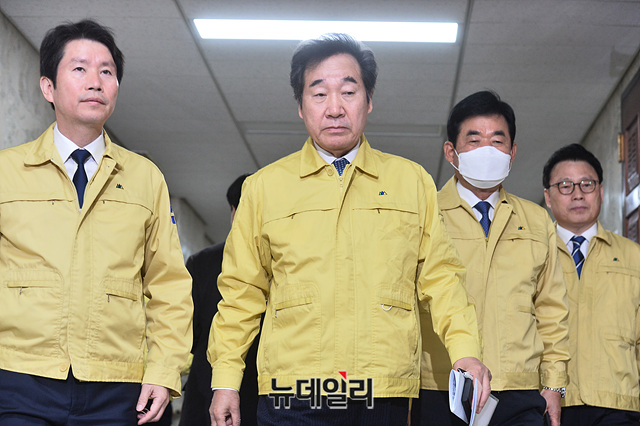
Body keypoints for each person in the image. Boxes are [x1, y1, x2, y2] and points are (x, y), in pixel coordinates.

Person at [207, 33, 491, 426]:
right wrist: (225, 379)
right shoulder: (263, 188)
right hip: (295, 388)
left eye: (348, 92)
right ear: (301, 106)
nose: (335, 108)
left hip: (383, 387)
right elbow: (241, 292)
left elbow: (441, 278)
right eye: (319, 93)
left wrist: (465, 350)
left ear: (368, 100)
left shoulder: (411, 182)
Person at [0, 19, 193, 425]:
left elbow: (169, 285)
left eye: (107, 71)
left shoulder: (145, 178)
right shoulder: (7, 172)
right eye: (80, 69)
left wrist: (163, 370)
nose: (95, 82)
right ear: (48, 87)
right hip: (18, 378)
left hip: (117, 385)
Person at [413, 90, 570, 426]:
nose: (487, 150)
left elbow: (551, 309)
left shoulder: (536, 220)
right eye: (474, 140)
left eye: (497, 141)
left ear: (512, 153)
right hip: (442, 386)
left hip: (518, 388)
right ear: (451, 152)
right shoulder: (425, 214)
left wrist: (554, 384)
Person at [543, 144, 640, 426]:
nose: (577, 194)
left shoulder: (633, 256)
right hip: (548, 404)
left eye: (587, 184)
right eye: (565, 186)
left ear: (601, 191)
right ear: (548, 197)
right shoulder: (532, 254)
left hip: (619, 404)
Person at [179, 173, 259, 426]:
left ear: (233, 211)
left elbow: (187, 332)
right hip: (264, 391)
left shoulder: (203, 262)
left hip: (209, 387)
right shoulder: (283, 261)